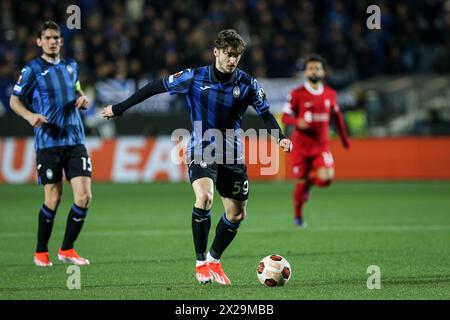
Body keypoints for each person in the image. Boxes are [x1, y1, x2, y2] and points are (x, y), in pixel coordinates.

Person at [102, 29, 292, 285]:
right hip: (202, 147)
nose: (232, 60)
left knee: (237, 214)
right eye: (227, 54)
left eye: (236, 55)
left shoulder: (247, 83)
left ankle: (214, 259)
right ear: (216, 52)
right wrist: (118, 108)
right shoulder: (193, 77)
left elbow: (266, 114)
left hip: (232, 152)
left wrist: (279, 137)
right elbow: (154, 87)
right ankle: (201, 262)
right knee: (204, 197)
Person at [10, 21, 92, 266]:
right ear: (39, 42)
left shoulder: (71, 66)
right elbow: (15, 100)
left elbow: (76, 89)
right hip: (48, 142)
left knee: (84, 196)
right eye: (47, 38)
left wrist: (83, 97)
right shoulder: (32, 69)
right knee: (53, 197)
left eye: (56, 37)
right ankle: (40, 251)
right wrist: (30, 116)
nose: (52, 41)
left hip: (75, 139)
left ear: (61, 41)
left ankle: (67, 249)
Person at [282, 55, 350, 227]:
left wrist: (344, 139)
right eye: (311, 68)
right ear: (305, 72)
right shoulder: (297, 94)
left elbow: (337, 117)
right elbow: (285, 117)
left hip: (321, 146)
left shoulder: (330, 94)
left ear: (323, 72)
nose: (314, 71)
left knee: (327, 178)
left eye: (317, 68)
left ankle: (310, 185)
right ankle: (297, 217)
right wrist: (298, 122)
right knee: (301, 180)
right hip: (301, 147)